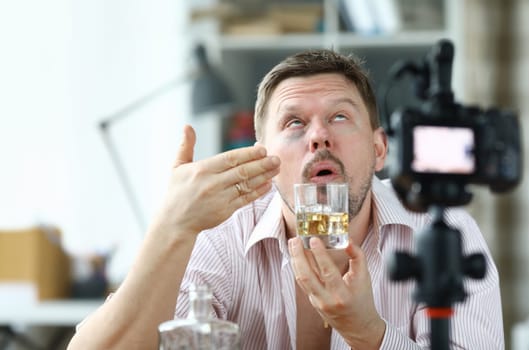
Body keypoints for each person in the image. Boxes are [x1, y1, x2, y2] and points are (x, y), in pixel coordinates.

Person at [68, 49, 504, 349]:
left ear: (379, 150)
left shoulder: (442, 231)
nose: (318, 137)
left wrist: (369, 333)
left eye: (339, 116)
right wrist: (170, 228)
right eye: (294, 123)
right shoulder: (221, 231)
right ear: (264, 155)